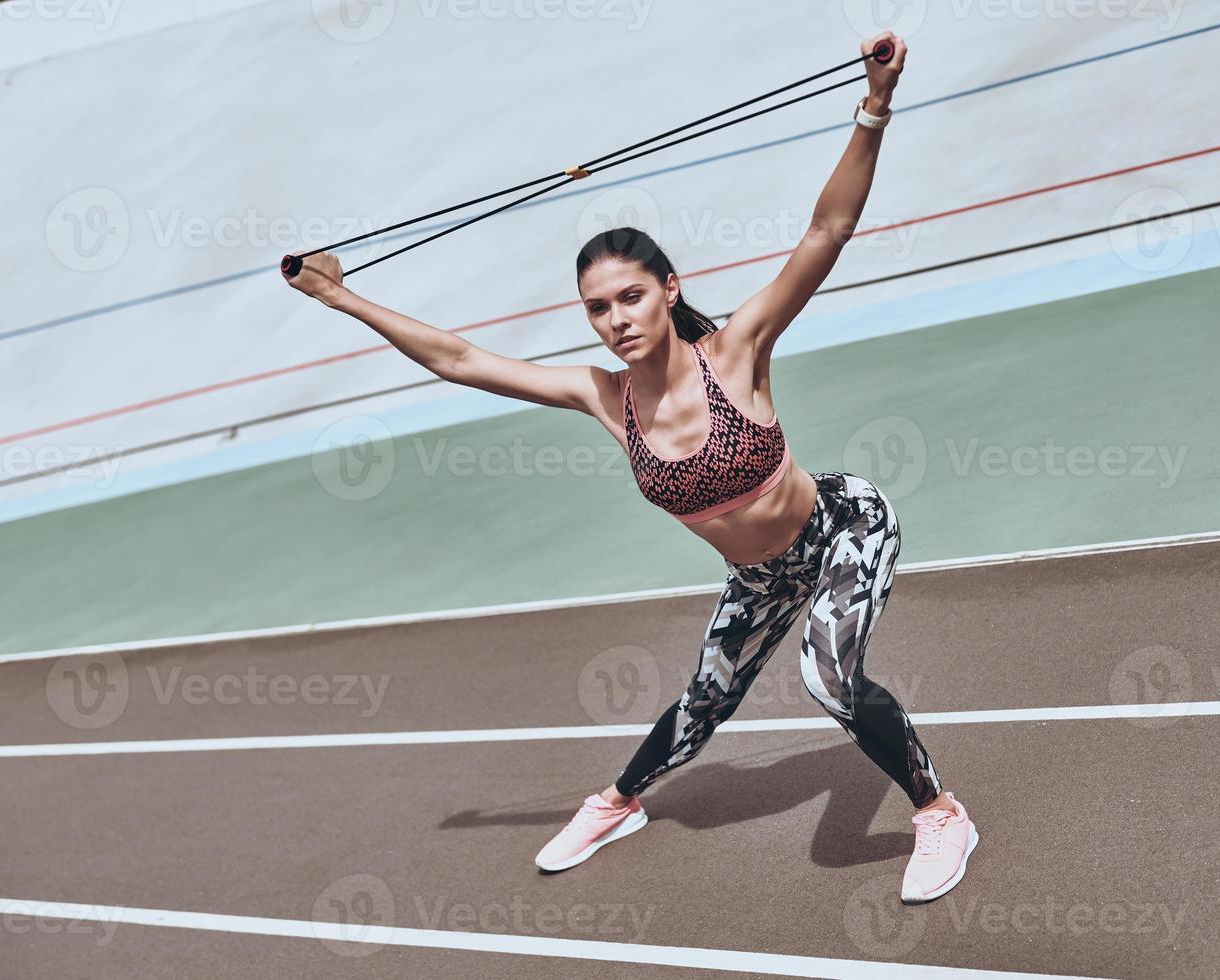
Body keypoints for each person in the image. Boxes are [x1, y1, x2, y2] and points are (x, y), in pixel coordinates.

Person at [283, 31, 974, 904]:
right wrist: (335, 294)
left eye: (630, 296)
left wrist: (873, 106)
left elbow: (826, 229)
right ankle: (617, 801)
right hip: (758, 573)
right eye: (597, 308)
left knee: (827, 672)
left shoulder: (737, 351)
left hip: (840, 529)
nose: (614, 319)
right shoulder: (603, 398)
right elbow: (458, 360)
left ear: (670, 288)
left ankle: (940, 810)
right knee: (703, 699)